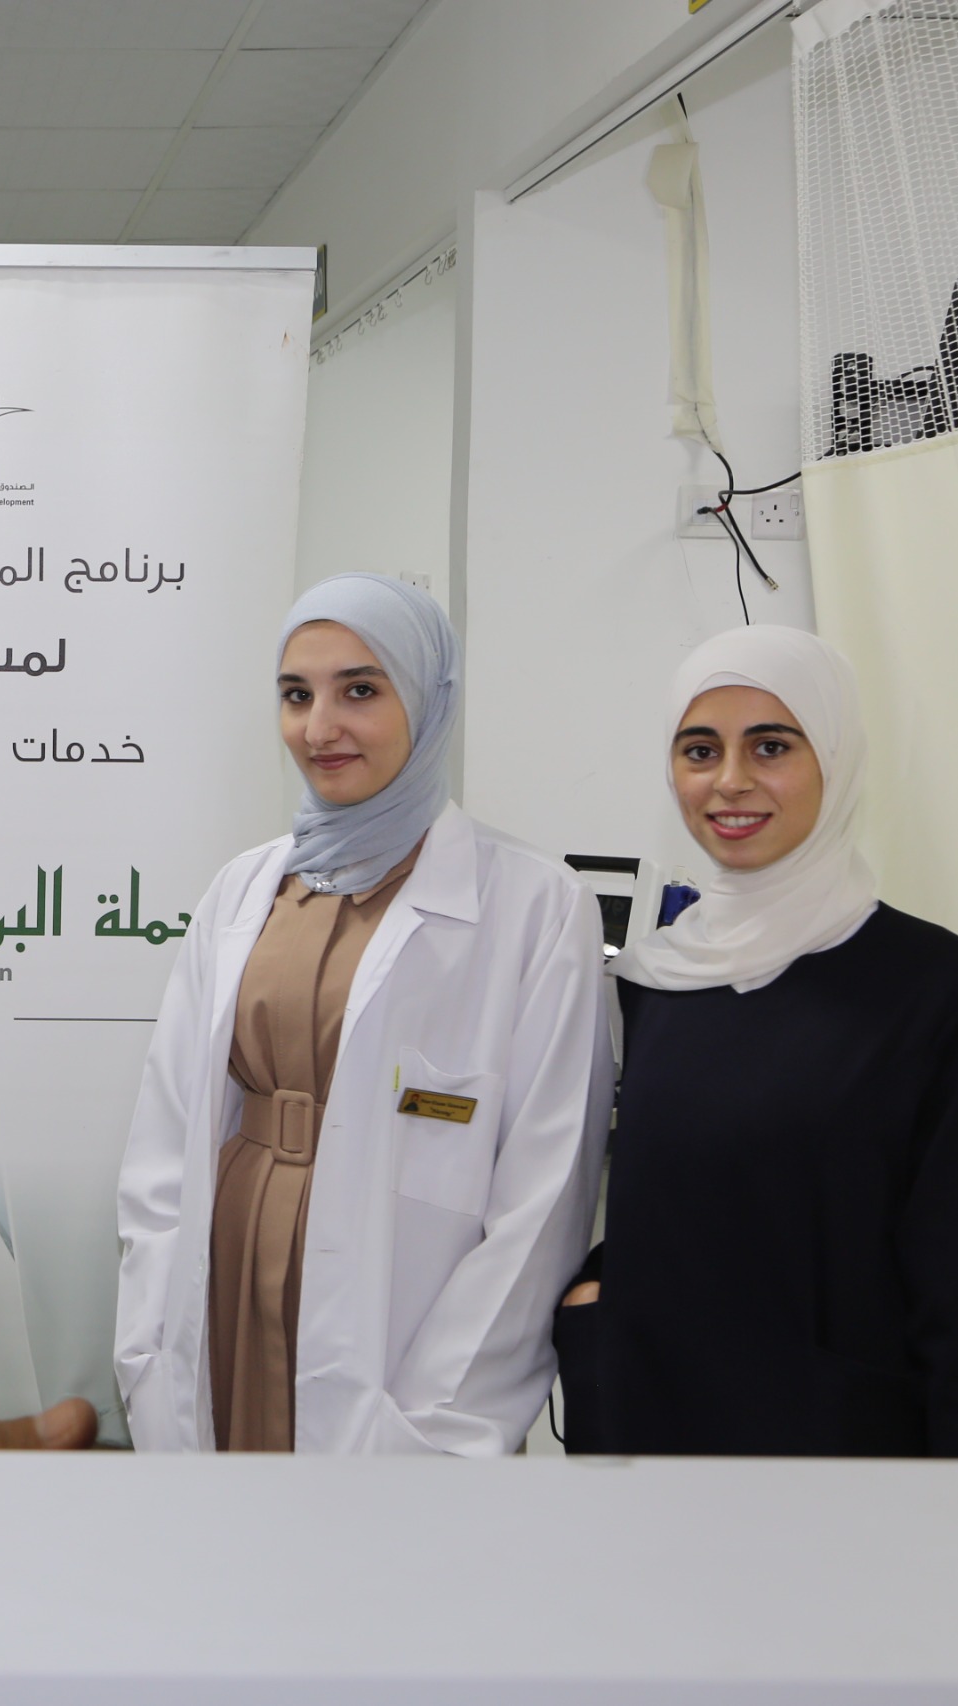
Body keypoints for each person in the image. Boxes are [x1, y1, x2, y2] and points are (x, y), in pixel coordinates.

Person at [115, 574, 611, 1454]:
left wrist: (436, 1421)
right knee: (221, 1528)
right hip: (224, 1291)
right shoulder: (242, 889)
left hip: (401, 1354)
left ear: (428, 700)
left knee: (367, 1538)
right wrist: (149, 1348)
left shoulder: (536, 905)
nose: (319, 728)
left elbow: (541, 1205)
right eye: (296, 695)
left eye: (360, 691)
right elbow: (164, 1141)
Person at [556, 626, 958, 1457]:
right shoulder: (656, 980)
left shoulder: (937, 989)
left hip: (837, 1456)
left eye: (771, 746)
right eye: (701, 750)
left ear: (834, 760)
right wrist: (595, 1296)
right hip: (645, 1442)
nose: (730, 781)